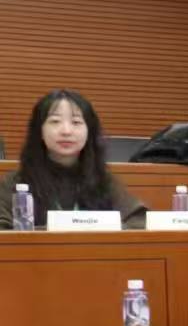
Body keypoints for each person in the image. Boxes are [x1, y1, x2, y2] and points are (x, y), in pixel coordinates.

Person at [1, 89, 147, 229]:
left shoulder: (103, 181)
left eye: (76, 122)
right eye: (55, 121)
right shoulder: (17, 183)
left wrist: (104, 228)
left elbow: (140, 221)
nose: (66, 131)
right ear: (39, 131)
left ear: (89, 132)